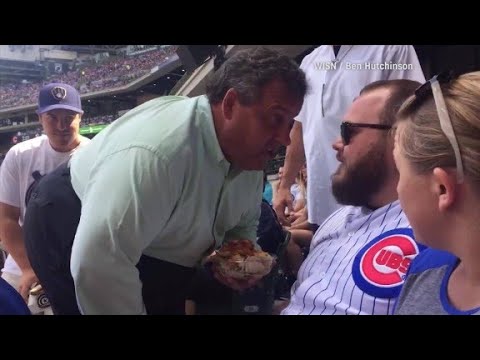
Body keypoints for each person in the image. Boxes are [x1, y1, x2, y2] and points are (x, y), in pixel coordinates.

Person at [23, 47, 307, 315]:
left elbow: (241, 225)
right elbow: (98, 264)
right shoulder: (160, 153)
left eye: (289, 123)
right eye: (275, 119)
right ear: (231, 104)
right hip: (68, 218)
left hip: (150, 245)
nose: (284, 139)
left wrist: (236, 261)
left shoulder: (248, 160)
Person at [281, 79, 425, 315]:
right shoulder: (337, 218)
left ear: (400, 138)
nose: (337, 144)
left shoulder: (435, 232)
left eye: (348, 132)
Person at [274, 45, 426, 232]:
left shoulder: (391, 49)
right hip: (322, 206)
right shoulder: (310, 61)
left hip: (375, 206)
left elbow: (413, 117)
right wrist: (284, 186)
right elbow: (300, 127)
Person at [393, 71, 480, 315]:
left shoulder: (427, 273)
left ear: (442, 188)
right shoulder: (426, 267)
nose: (398, 189)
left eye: (400, 172)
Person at [0, 82, 90, 315]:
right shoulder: (20, 155)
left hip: (80, 262)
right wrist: (29, 268)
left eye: (69, 116)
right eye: (52, 117)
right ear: (40, 118)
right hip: (23, 262)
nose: (61, 126)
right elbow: (7, 218)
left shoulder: (95, 155)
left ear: (80, 117)